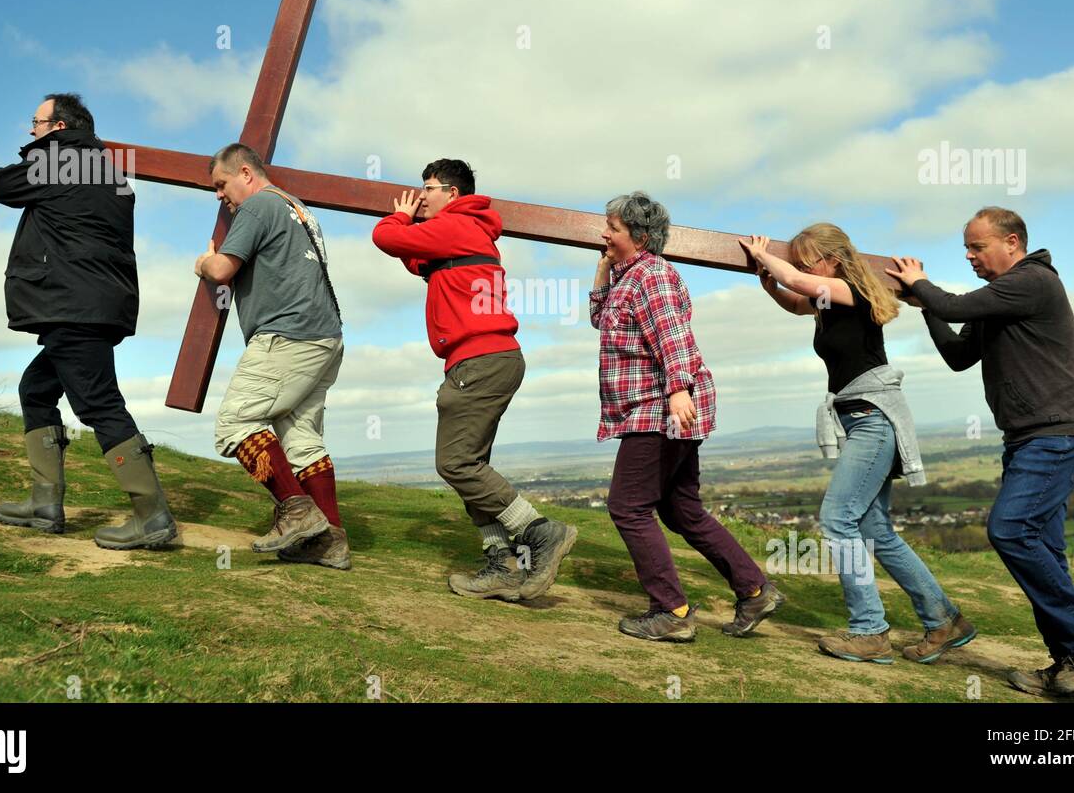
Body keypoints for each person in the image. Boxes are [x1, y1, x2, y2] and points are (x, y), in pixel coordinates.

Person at [886, 206, 1074, 696]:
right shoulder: (998, 301)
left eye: (977, 246)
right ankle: (1068, 666)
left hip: (1058, 434)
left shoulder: (1033, 280)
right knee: (1046, 551)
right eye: (966, 249)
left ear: (1011, 242)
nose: (970, 256)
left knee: (1010, 530)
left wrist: (922, 286)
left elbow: (953, 305)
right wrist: (927, 305)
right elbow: (956, 355)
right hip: (1027, 438)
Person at [742, 224, 971, 664]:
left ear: (834, 259)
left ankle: (869, 631)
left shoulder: (851, 291)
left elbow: (799, 281)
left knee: (837, 518)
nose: (804, 266)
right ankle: (944, 620)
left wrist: (765, 255)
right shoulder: (829, 302)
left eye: (810, 258)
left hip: (873, 418)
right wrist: (767, 282)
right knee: (874, 530)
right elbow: (795, 299)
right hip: (861, 418)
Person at [372, 158, 576, 602]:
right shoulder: (464, 232)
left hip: (480, 361)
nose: (421, 195)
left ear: (453, 194)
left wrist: (401, 217)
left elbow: (386, 238)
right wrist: (411, 231)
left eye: (428, 188)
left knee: (455, 464)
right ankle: (502, 564)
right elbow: (415, 260)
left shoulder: (459, 224)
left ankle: (539, 532)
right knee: (470, 467)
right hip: (487, 359)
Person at [0, 93, 178, 550]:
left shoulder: (60, 164)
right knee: (36, 389)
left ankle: (151, 515)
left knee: (99, 404)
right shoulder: (112, 175)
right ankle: (44, 503)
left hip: (70, 305)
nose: (29, 132)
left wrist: (45, 152)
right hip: (97, 307)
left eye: (35, 123)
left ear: (58, 128)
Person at [591, 192, 778, 643]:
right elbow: (600, 319)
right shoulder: (627, 277)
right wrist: (602, 267)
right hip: (660, 408)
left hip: (657, 410)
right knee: (682, 510)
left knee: (628, 506)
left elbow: (672, 336)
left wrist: (677, 389)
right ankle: (753, 590)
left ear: (638, 235)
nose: (604, 234)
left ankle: (671, 611)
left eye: (612, 229)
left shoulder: (651, 276)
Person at [197, 143, 347, 567]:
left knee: (235, 422)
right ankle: (330, 542)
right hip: (324, 338)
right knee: (302, 441)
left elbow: (224, 269)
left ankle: (296, 511)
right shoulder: (297, 207)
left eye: (221, 184)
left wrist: (204, 262)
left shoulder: (259, 206)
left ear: (245, 172)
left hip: (288, 336)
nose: (219, 195)